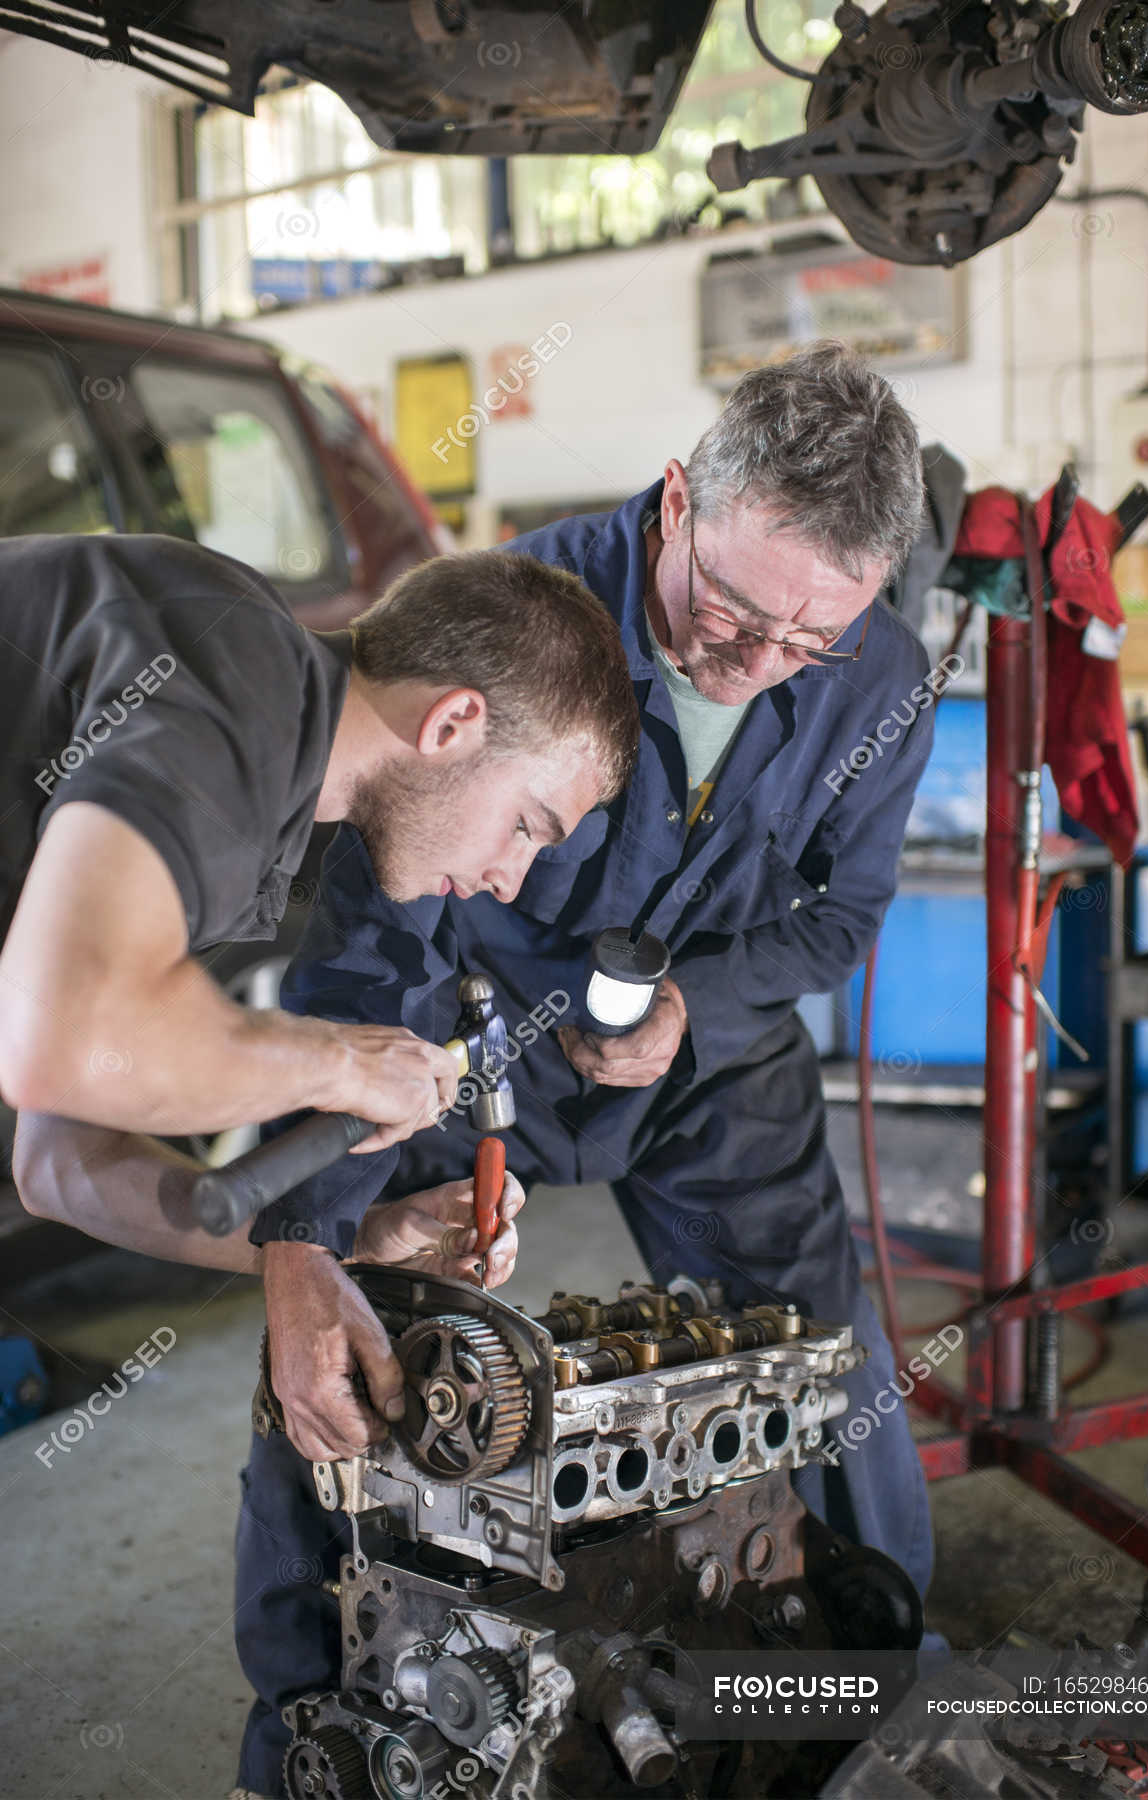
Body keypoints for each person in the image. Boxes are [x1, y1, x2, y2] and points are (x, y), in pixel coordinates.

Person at [220, 341, 944, 1799]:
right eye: (732, 610)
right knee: (349, 1361)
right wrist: (301, 1232)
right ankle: (305, 1731)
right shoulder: (511, 619)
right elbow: (375, 956)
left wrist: (699, 1000)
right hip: (464, 1035)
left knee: (822, 1359)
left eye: (810, 639)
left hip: (705, 1053)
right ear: (677, 500)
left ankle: (865, 1690)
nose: (758, 660)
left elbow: (843, 917)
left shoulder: (881, 680)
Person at [0, 534, 637, 1157]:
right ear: (449, 725)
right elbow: (61, 1044)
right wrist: (341, 1065)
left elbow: (59, 1160)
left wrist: (354, 1240)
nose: (509, 882)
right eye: (527, 825)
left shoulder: (264, 756)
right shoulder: (243, 681)